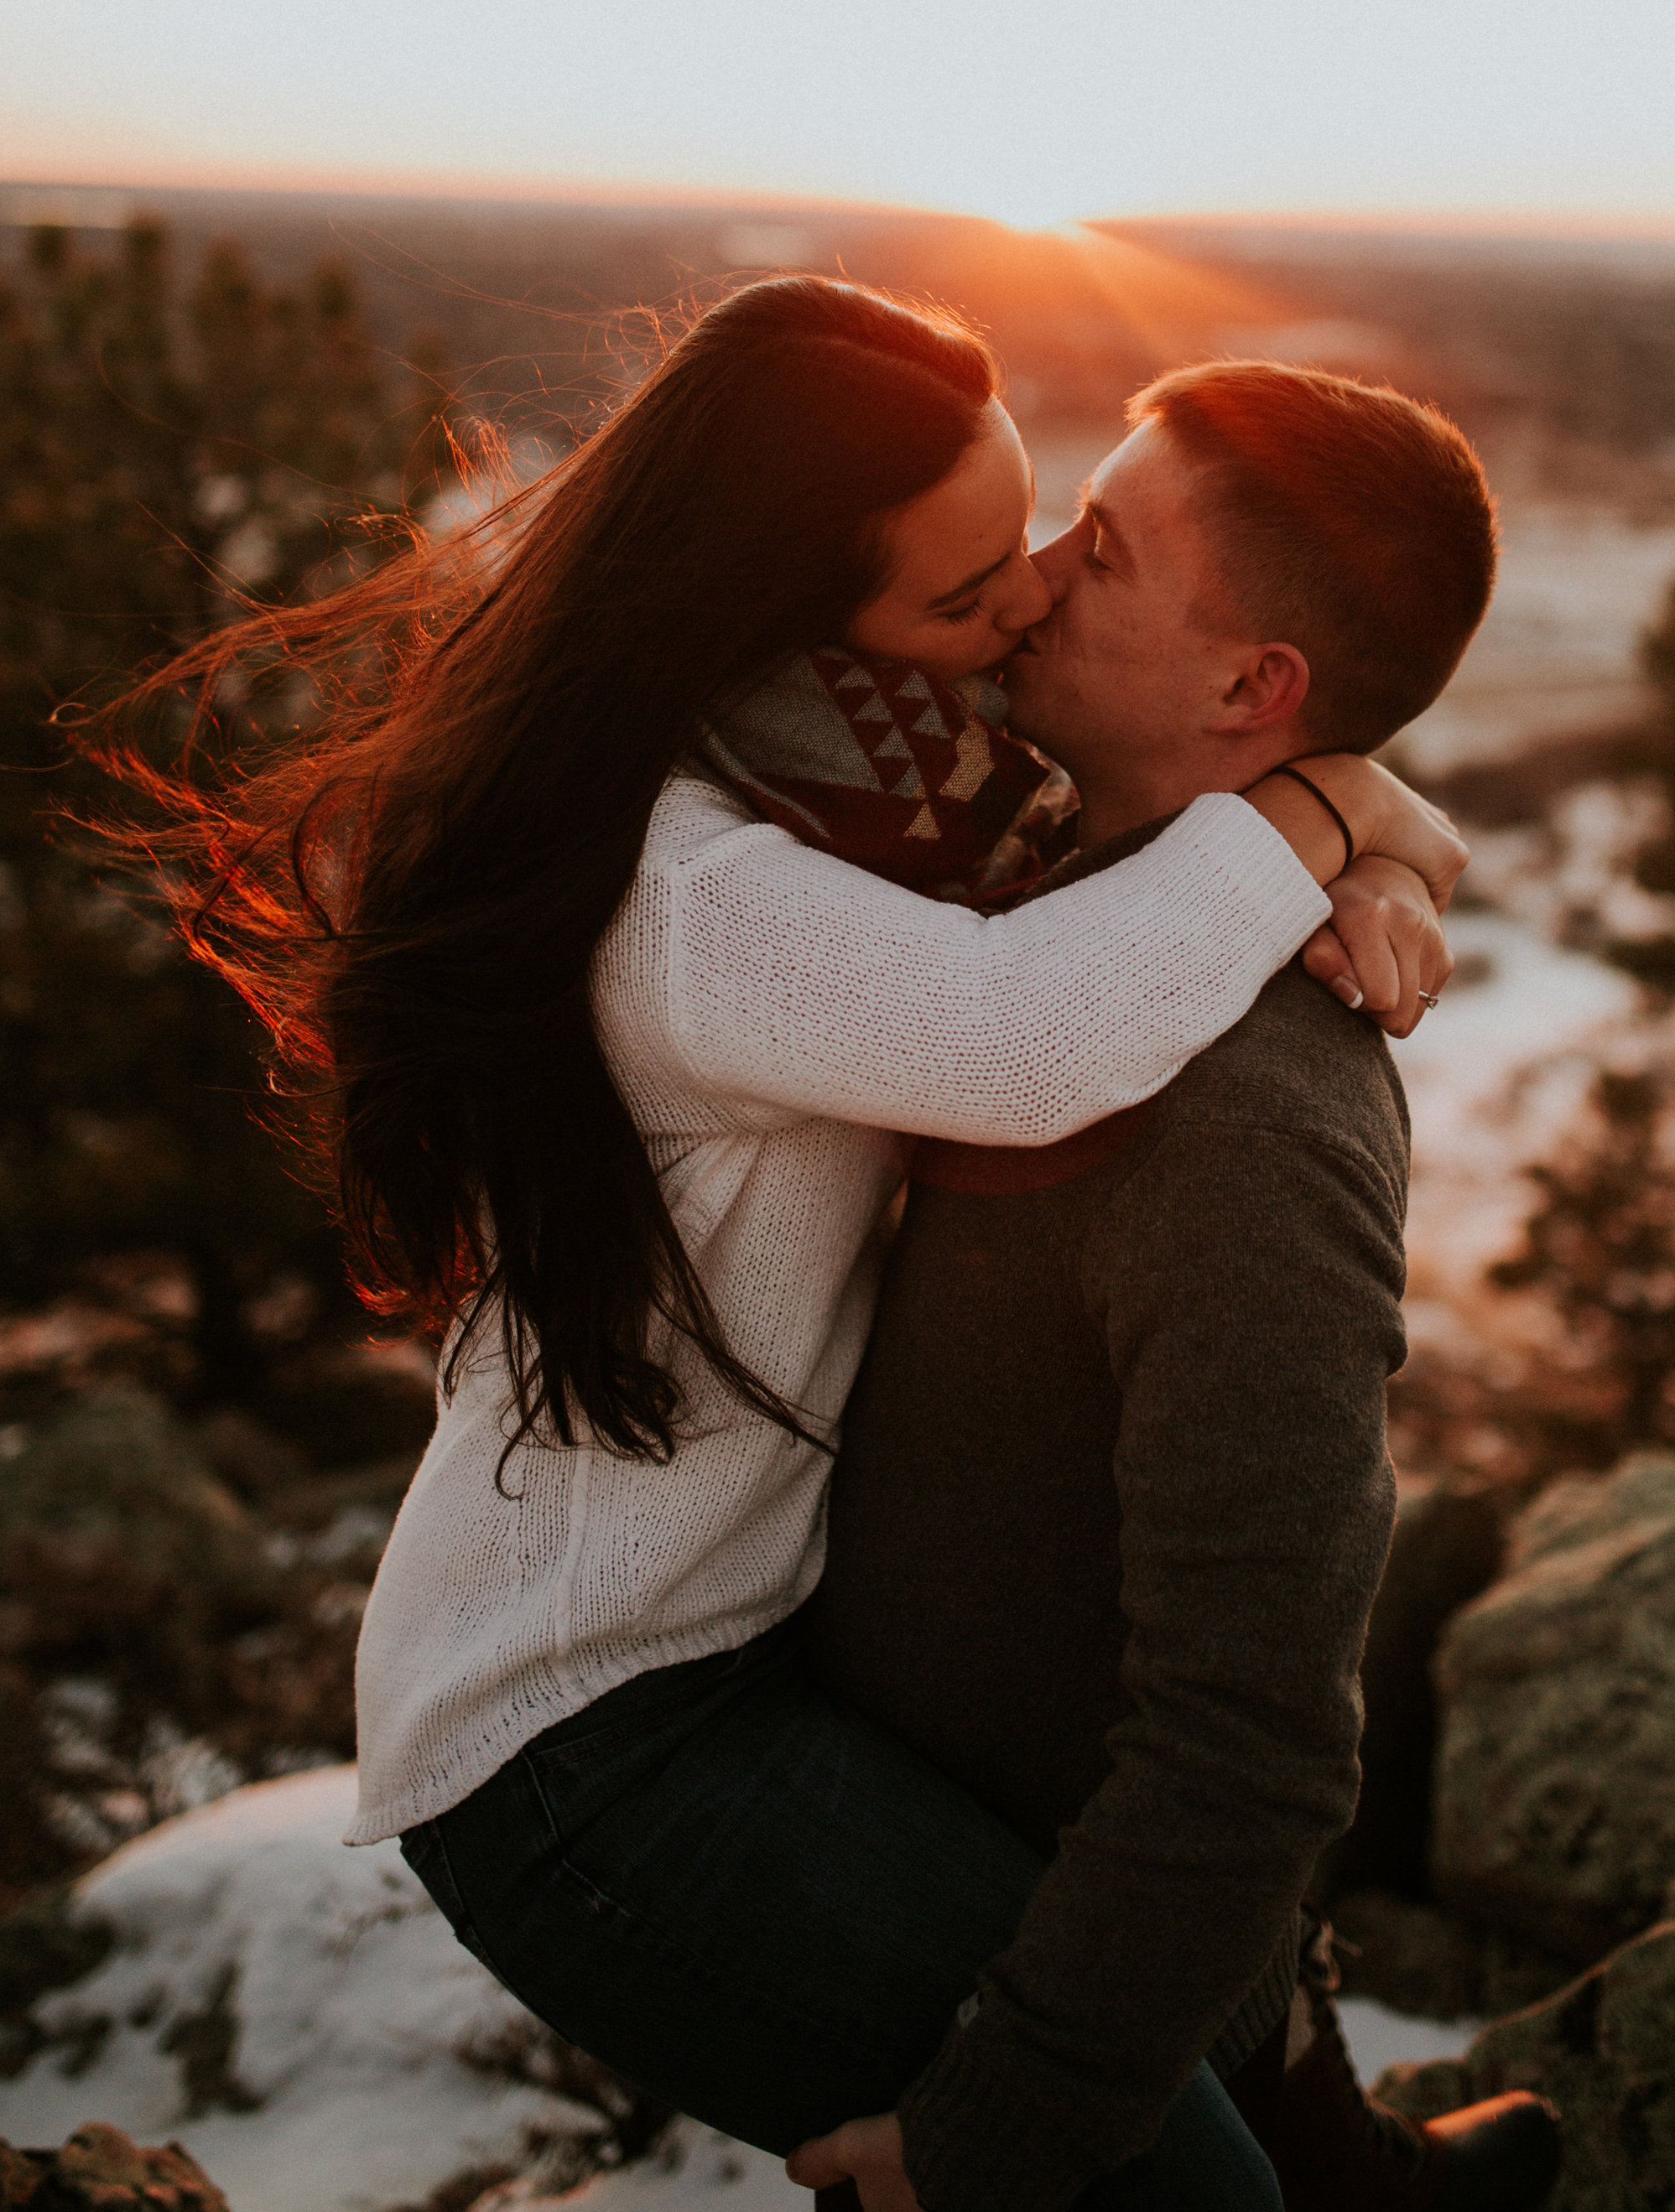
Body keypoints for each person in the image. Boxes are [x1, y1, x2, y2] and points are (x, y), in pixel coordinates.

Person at [94, 275, 1463, 2209]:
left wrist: (1369, 826)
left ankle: (1350, 2162)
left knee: (1157, 1989)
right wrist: (1327, 814)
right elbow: (1022, 1034)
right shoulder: (702, 891)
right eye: (966, 590)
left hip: (738, 1642)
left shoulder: (864, 779)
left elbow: (1127, 874)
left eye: (1048, 537)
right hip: (589, 1744)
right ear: (784, 609)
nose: (1030, 602)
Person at [794, 361, 1561, 2212]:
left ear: (1245, 689)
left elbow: (1255, 1733)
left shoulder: (1247, 1116)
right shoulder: (1044, 859)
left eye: (1104, 551)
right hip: (931, 1799)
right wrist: (1353, 817)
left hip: (1006, 1918)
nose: (1038, 572)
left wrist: (1005, 2129)